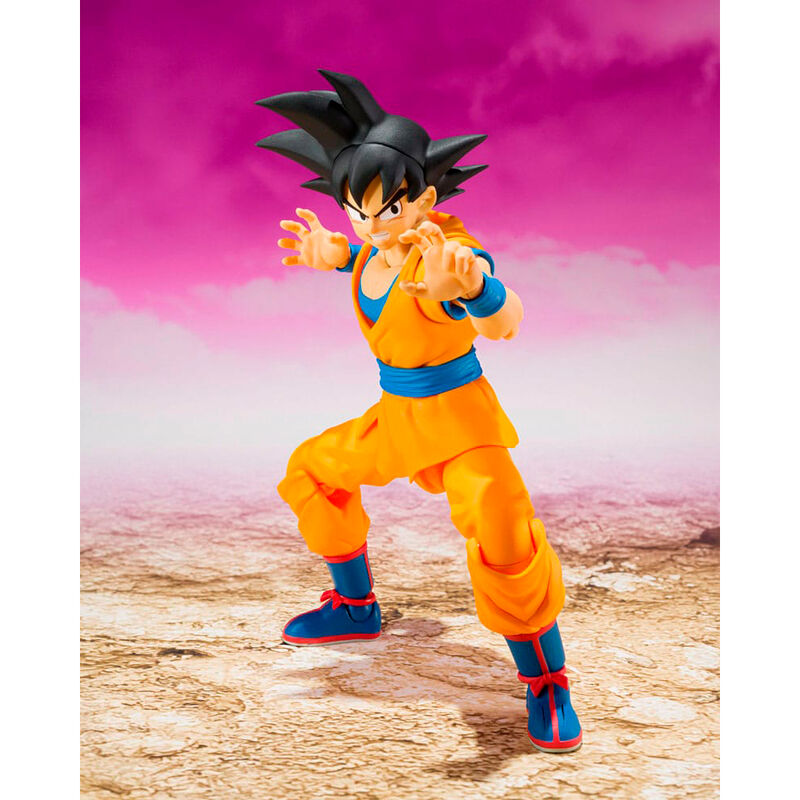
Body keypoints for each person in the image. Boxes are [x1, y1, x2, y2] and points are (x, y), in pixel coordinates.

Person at [256, 70, 582, 753]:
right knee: (312, 469)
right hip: (397, 418)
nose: (372, 225)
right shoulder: (372, 250)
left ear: (425, 199)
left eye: (389, 209)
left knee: (503, 530)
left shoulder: (446, 255)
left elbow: (505, 320)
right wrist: (335, 253)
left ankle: (546, 679)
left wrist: (474, 289)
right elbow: (371, 256)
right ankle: (355, 606)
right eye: (357, 210)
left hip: (461, 425)